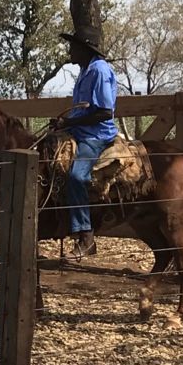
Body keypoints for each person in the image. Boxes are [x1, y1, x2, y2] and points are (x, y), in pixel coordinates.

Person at [50, 26, 118, 259]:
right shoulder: (85, 70)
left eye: (73, 47)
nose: (70, 51)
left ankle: (86, 236)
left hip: (95, 135)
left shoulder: (99, 71)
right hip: (80, 131)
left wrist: (69, 124)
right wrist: (64, 122)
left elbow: (104, 113)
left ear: (83, 49)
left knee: (77, 177)